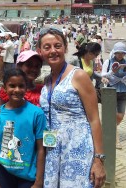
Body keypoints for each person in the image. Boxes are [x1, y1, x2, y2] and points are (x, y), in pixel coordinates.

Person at [37, 28, 106, 188]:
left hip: (78, 151)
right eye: (47, 47)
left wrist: (99, 159)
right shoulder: (47, 80)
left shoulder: (79, 76)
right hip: (53, 152)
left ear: (65, 48)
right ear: (40, 51)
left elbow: (94, 119)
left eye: (57, 46)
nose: (53, 51)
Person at [0, 68, 46, 188]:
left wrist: (39, 181)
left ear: (26, 87)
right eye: (12, 86)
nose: (17, 90)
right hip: (5, 174)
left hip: (28, 176)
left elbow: (41, 149)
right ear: (4, 88)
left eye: (21, 86)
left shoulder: (37, 114)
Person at [101, 42, 126, 149]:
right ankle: (116, 141)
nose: (120, 55)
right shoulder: (108, 61)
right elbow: (103, 74)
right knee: (113, 115)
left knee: (120, 116)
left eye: (122, 53)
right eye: (118, 53)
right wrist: (112, 71)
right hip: (111, 91)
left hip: (123, 91)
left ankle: (109, 127)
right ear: (114, 53)